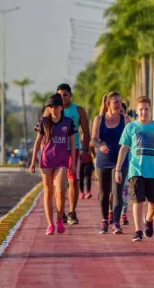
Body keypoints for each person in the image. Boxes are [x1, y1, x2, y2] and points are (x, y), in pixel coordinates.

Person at [116, 96, 154, 242]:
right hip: (136, 170)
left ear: (150, 110)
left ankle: (148, 219)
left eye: (146, 109)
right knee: (137, 200)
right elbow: (124, 148)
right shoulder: (131, 127)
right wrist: (118, 169)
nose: (143, 112)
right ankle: (138, 231)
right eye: (141, 109)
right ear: (136, 110)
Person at [30, 94, 78, 235]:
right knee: (48, 191)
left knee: (61, 190)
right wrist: (33, 162)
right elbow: (38, 142)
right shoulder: (43, 122)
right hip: (46, 161)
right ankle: (50, 224)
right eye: (51, 107)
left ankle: (59, 219)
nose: (54, 109)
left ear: (61, 107)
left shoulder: (68, 122)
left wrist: (73, 162)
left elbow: (73, 143)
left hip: (62, 161)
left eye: (56, 106)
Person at [45, 83, 90, 225]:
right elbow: (43, 131)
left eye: (65, 94)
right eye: (60, 95)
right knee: (58, 184)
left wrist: (85, 150)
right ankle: (60, 211)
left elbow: (86, 132)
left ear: (71, 95)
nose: (63, 98)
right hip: (56, 150)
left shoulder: (79, 111)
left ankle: (72, 212)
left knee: (73, 180)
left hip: (74, 149)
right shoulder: (50, 110)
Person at [92, 92, 130, 234]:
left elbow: (132, 137)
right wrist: (100, 144)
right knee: (104, 192)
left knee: (117, 192)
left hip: (120, 162)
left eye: (120, 101)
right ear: (108, 104)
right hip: (103, 161)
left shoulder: (126, 120)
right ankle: (104, 221)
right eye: (116, 102)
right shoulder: (99, 119)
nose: (119, 104)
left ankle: (116, 223)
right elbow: (94, 138)